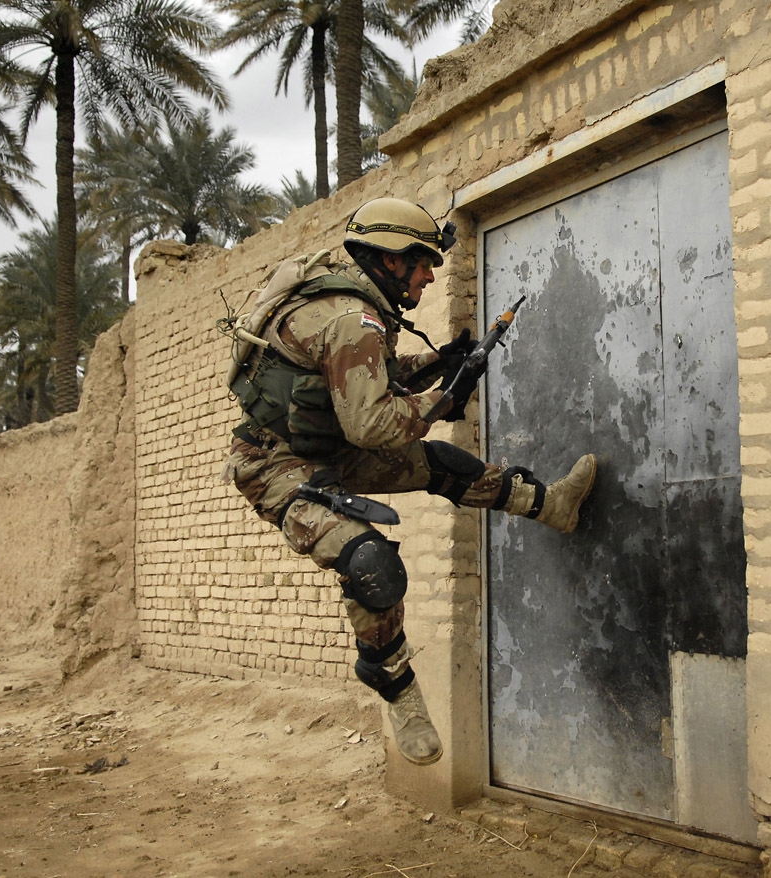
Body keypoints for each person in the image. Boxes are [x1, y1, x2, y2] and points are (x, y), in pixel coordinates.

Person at [221, 197, 596, 766]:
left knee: (444, 464)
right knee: (369, 562)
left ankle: (553, 506)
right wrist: (443, 399)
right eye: (423, 263)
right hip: (274, 466)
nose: (430, 276)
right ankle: (394, 683)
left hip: (324, 443)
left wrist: (443, 362)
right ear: (390, 259)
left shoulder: (348, 304)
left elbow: (365, 378)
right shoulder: (355, 319)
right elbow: (372, 424)